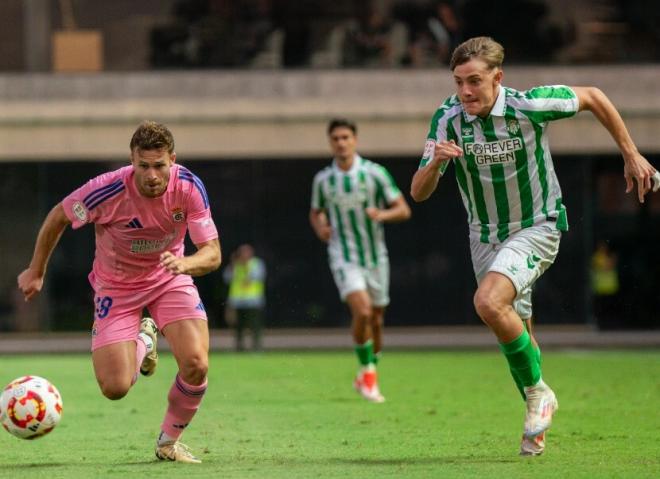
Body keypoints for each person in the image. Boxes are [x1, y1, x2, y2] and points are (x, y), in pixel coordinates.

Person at [410, 36, 658, 456]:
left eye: (474, 81)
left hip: (537, 226)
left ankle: (538, 393)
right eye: (458, 82)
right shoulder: (447, 120)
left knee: (488, 303)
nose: (465, 91)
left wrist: (631, 154)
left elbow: (594, 96)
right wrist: (435, 163)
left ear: (497, 78)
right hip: (484, 235)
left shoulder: (530, 105)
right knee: (517, 328)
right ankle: (536, 420)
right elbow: (418, 192)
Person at [17, 121, 221, 463]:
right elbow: (58, 217)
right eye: (144, 166)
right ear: (132, 160)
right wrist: (36, 270)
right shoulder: (107, 190)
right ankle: (146, 339)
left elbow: (212, 253)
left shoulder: (189, 187)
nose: (152, 175)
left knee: (197, 364)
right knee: (115, 388)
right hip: (117, 288)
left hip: (169, 278)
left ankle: (168, 442)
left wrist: (186, 266)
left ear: (173, 159)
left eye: (160, 165)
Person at [310, 118, 411, 403]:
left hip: (376, 257)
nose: (341, 143)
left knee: (377, 321)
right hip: (344, 256)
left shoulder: (374, 174)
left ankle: (366, 373)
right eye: (336, 138)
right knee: (363, 312)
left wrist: (382, 215)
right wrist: (321, 228)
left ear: (355, 140)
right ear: (331, 142)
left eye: (345, 137)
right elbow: (315, 212)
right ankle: (368, 375)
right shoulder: (324, 180)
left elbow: (403, 210)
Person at [223, 244, 266, 351]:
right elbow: (227, 278)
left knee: (255, 325)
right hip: (238, 301)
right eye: (242, 252)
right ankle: (239, 347)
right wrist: (233, 264)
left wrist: (246, 266)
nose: (244, 255)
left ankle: (256, 346)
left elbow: (256, 277)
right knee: (238, 326)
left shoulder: (256, 264)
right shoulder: (235, 265)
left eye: (246, 252)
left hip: (253, 300)